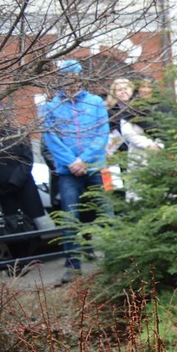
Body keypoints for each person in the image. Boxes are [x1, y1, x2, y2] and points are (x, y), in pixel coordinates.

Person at [40, 59, 111, 285]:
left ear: (80, 77)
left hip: (97, 167)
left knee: (108, 214)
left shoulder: (96, 102)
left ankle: (115, 258)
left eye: (74, 77)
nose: (71, 81)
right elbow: (51, 139)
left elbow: (102, 135)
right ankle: (73, 266)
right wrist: (72, 162)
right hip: (68, 171)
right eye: (66, 77)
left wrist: (85, 160)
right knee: (70, 218)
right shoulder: (49, 107)